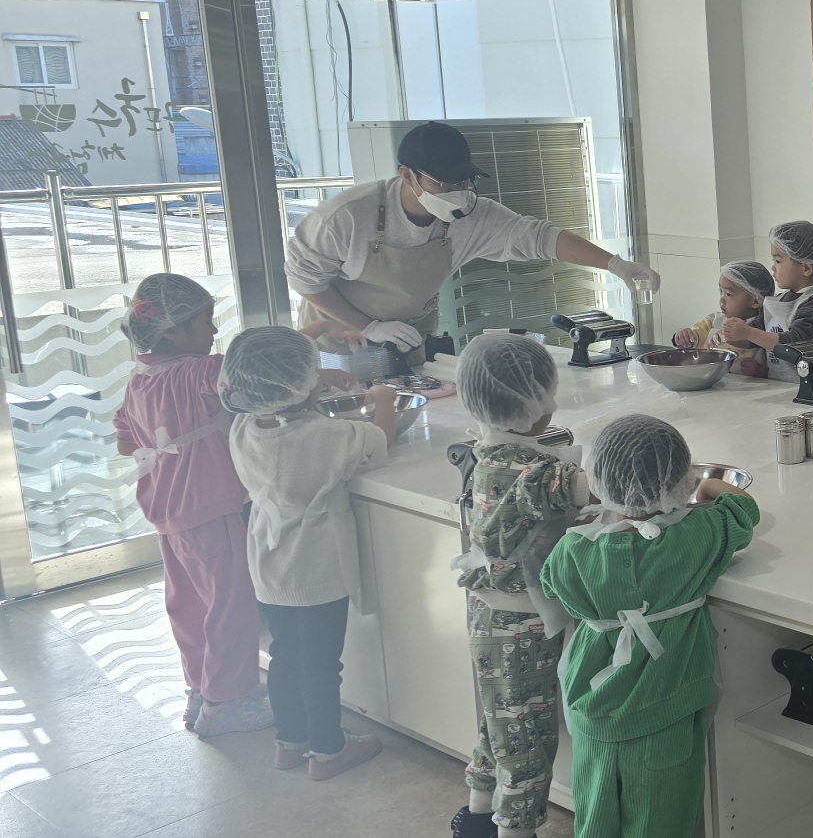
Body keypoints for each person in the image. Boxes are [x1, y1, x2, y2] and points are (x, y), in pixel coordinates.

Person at [114, 274, 362, 737]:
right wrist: (318, 376)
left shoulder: (140, 379)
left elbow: (126, 443)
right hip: (211, 507)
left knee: (190, 606)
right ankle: (228, 703)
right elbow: (263, 371)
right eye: (206, 322)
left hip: (167, 509)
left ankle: (201, 690)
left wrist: (318, 329)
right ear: (173, 331)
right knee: (231, 607)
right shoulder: (198, 372)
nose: (213, 330)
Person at [286, 121, 660, 368]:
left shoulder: (472, 216)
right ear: (407, 175)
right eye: (444, 183)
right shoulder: (347, 217)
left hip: (410, 339)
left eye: (465, 181)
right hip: (340, 342)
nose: (458, 191)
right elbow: (305, 280)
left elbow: (541, 237)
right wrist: (367, 327)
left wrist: (616, 264)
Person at [540, 415, 757, 838]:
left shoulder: (572, 551)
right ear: (680, 480)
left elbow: (551, 584)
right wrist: (709, 487)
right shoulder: (697, 536)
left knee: (595, 823)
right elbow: (745, 510)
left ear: (600, 482)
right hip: (664, 717)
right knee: (661, 824)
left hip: (593, 716)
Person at [222, 327, 396, 780]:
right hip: (316, 565)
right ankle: (329, 750)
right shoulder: (327, 435)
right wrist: (384, 400)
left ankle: (290, 743)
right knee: (321, 664)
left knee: (285, 655)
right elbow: (379, 441)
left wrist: (314, 387)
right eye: (314, 371)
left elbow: (290, 427)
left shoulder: (243, 427)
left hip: (268, 562)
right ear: (301, 386)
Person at [449, 334, 589, 838]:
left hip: (486, 612)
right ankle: (515, 830)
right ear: (533, 405)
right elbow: (604, 487)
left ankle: (477, 815)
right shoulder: (538, 472)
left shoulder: (486, 450)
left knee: (499, 723)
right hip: (521, 624)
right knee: (527, 738)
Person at [719, 220, 813, 353]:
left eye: (778, 261)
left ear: (806, 268)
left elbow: (795, 344)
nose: (773, 267)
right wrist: (727, 336)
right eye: (773, 260)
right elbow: (754, 337)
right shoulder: (779, 301)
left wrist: (748, 332)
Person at [672, 260, 776, 378]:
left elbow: (775, 368)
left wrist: (759, 370)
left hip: (745, 387)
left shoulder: (765, 330)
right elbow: (693, 336)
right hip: (707, 381)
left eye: (729, 294)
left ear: (755, 301)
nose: (722, 299)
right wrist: (684, 336)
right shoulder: (713, 320)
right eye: (721, 291)